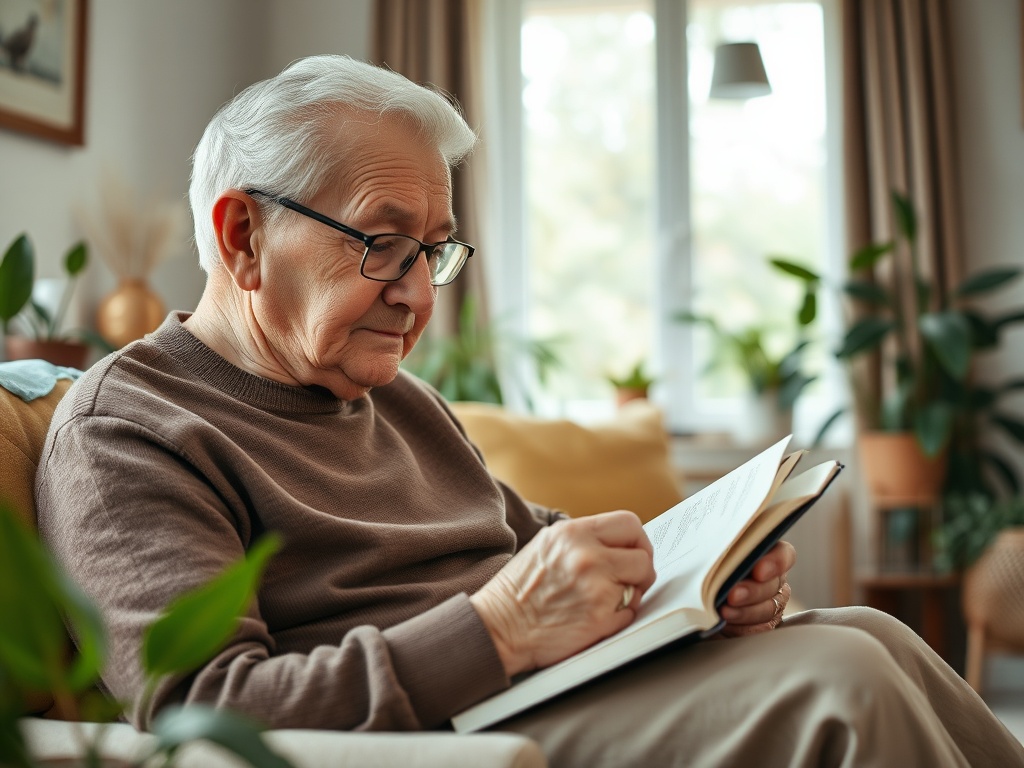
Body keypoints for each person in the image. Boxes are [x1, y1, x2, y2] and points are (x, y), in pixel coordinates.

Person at [35, 54, 1024, 767]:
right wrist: (497, 629)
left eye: (435, 251)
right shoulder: (130, 431)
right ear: (244, 236)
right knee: (840, 687)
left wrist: (700, 581)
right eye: (382, 243)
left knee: (869, 636)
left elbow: (534, 542)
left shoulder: (397, 400)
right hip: (436, 741)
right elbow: (201, 712)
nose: (420, 296)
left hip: (541, 689)